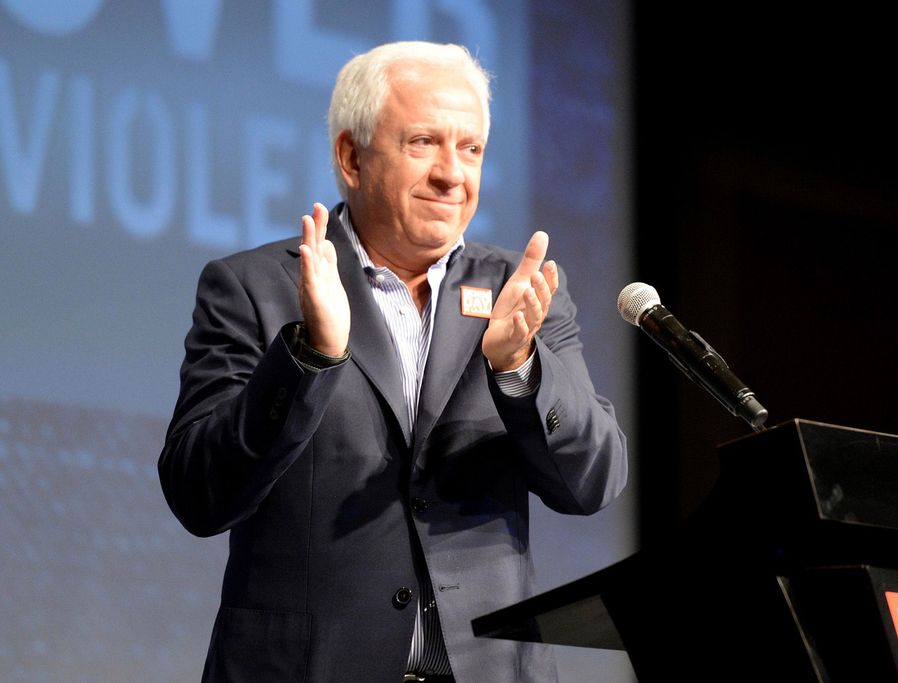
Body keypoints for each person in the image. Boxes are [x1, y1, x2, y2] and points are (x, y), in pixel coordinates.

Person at [159, 41, 628, 682]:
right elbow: (198, 494)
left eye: (470, 149)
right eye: (423, 143)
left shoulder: (520, 291)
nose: (451, 174)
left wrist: (520, 368)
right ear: (351, 156)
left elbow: (593, 482)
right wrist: (307, 357)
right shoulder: (254, 288)